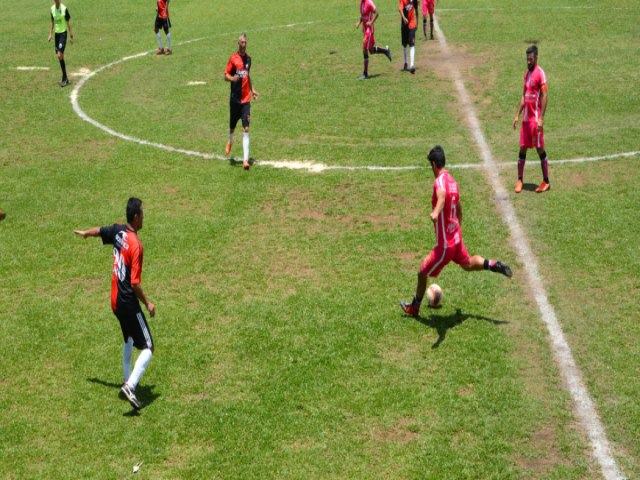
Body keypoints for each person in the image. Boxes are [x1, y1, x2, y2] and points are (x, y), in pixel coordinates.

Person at [400, 146, 513, 317]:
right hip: (456, 239)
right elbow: (459, 210)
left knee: (422, 273)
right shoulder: (453, 182)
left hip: (445, 246)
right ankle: (492, 264)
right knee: (467, 264)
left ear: (433, 164)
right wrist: (456, 228)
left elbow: (442, 196)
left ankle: (414, 307)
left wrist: (436, 212)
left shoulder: (439, 181)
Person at [74, 198, 156, 410]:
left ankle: (126, 379)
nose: (144, 217)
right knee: (148, 347)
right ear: (136, 217)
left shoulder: (119, 231)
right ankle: (130, 385)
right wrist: (147, 303)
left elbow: (101, 231)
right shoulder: (136, 246)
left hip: (115, 300)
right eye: (143, 214)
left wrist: (85, 233)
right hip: (128, 301)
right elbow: (135, 283)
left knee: (128, 337)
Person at [513, 45, 550, 193]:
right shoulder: (526, 75)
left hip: (535, 120)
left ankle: (546, 181)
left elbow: (545, 95)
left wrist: (541, 117)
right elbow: (524, 95)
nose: (528, 62)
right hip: (526, 120)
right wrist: (517, 114)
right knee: (522, 148)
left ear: (536, 58)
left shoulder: (540, 74)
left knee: (540, 148)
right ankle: (520, 180)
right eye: (527, 59)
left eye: (531, 59)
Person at [224, 33, 259, 170]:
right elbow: (225, 75)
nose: (244, 45)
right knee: (232, 127)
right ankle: (230, 141)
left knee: (246, 128)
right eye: (242, 43)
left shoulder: (249, 59)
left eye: (245, 42)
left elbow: (247, 76)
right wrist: (232, 79)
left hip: (245, 100)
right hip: (234, 100)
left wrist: (253, 90)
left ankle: (245, 160)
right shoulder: (233, 59)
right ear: (238, 44)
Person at [356, 0, 392, 80]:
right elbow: (363, 15)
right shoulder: (361, 3)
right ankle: (386, 51)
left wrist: (371, 22)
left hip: (369, 30)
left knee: (364, 49)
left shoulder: (369, 2)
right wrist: (359, 22)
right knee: (371, 51)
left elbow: (377, 13)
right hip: (365, 29)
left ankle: (365, 73)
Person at [47, 0, 74, 87]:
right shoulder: (52, 9)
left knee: (59, 55)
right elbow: (52, 22)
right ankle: (65, 78)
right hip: (56, 35)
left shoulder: (64, 9)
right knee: (60, 57)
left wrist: (71, 35)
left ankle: (64, 78)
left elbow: (68, 22)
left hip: (63, 34)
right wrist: (50, 34)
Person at [399, 0, 418, 73]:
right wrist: (404, 18)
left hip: (412, 23)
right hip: (404, 25)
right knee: (404, 45)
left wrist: (417, 22)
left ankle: (412, 65)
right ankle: (405, 62)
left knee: (412, 44)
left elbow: (416, 10)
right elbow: (400, 9)